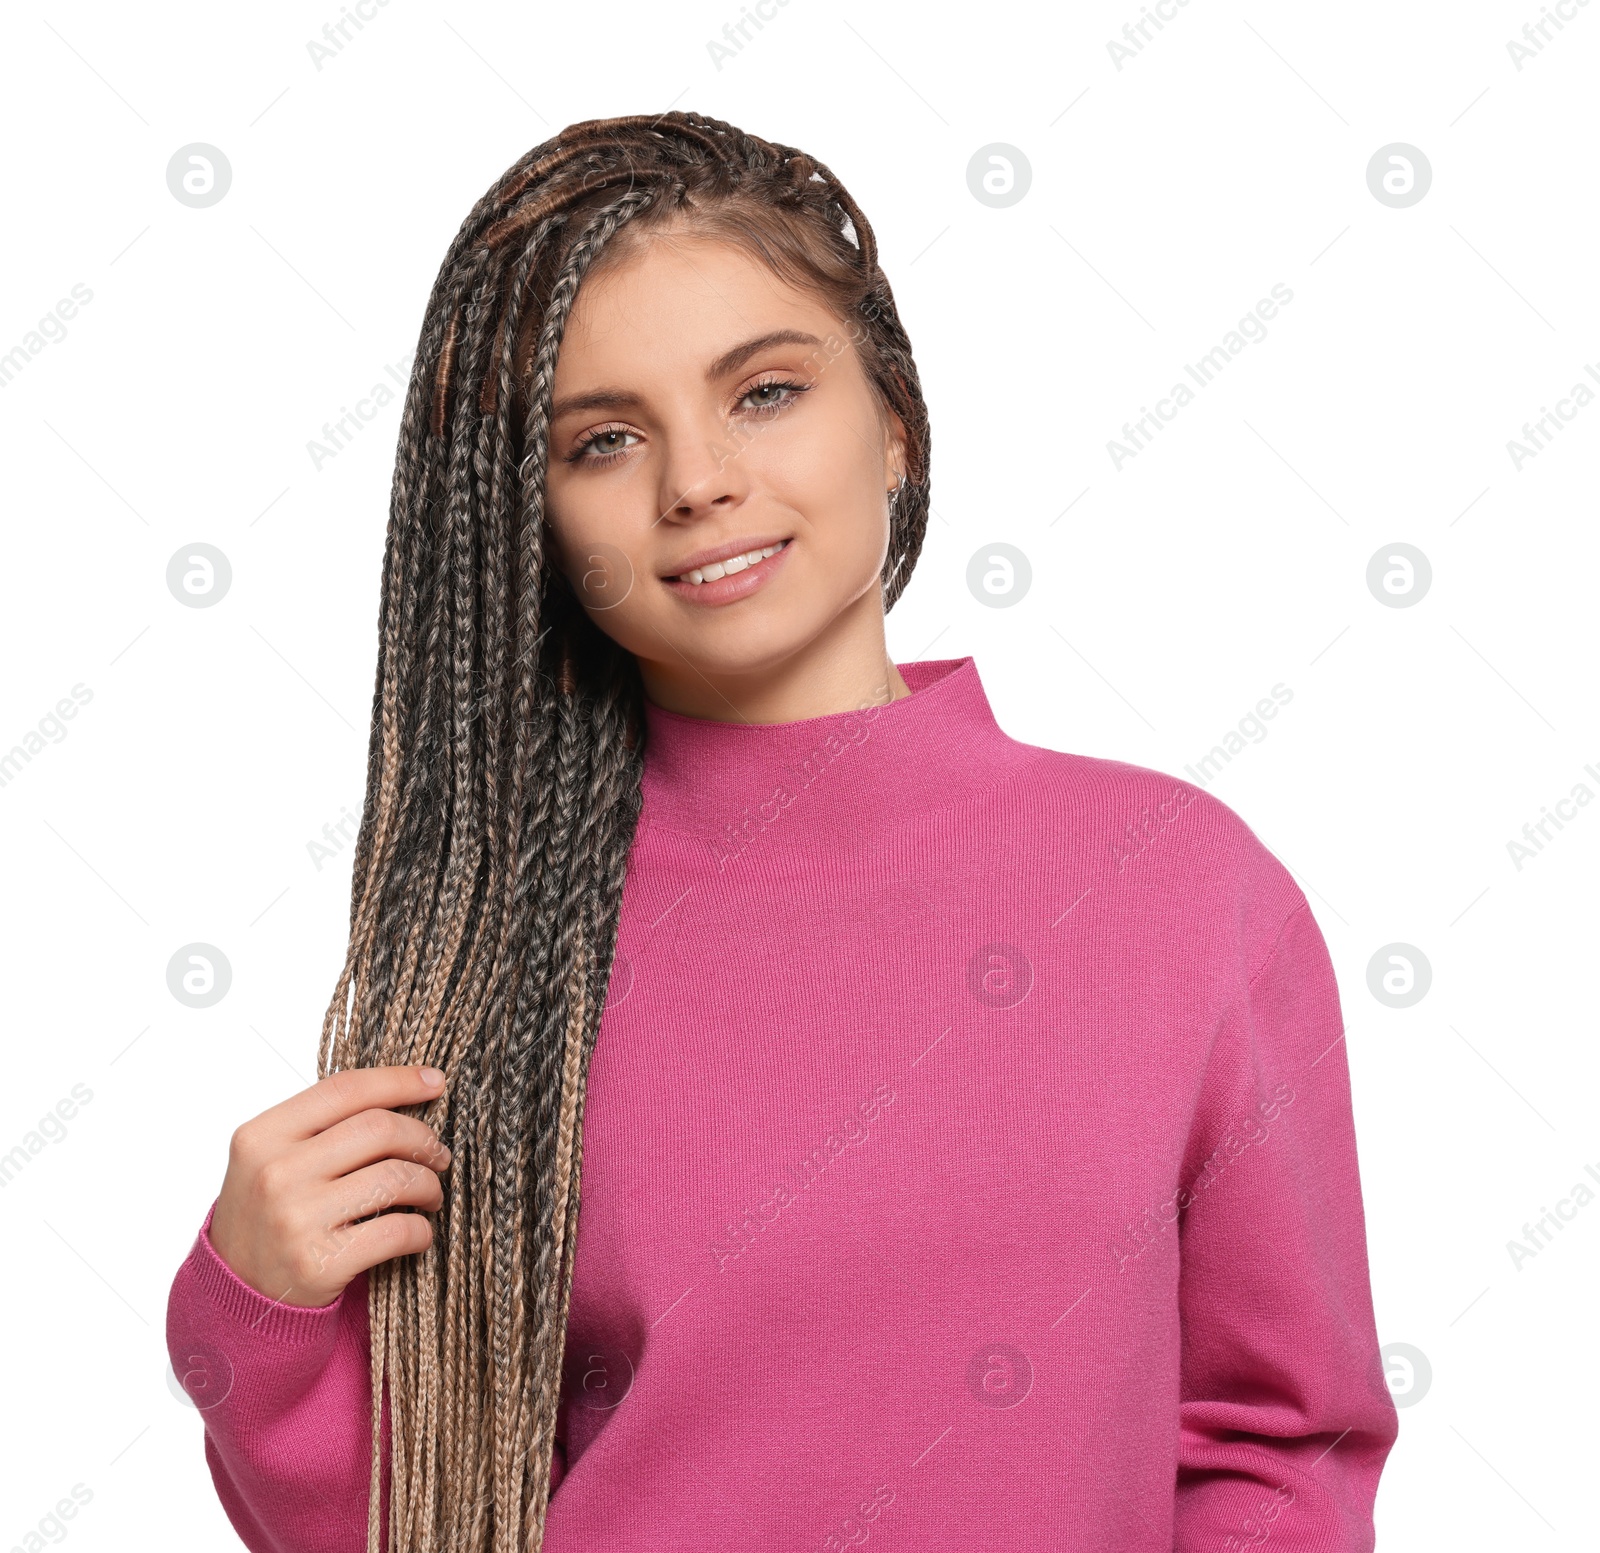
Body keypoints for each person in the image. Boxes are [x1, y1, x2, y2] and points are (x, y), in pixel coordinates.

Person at [165, 109, 1398, 1553]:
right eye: (606, 439)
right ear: (537, 526)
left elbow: (1275, 1449)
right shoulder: (502, 950)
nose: (696, 480)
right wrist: (252, 1312)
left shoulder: (1181, 891)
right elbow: (418, 1516)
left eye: (763, 392)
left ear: (895, 421)